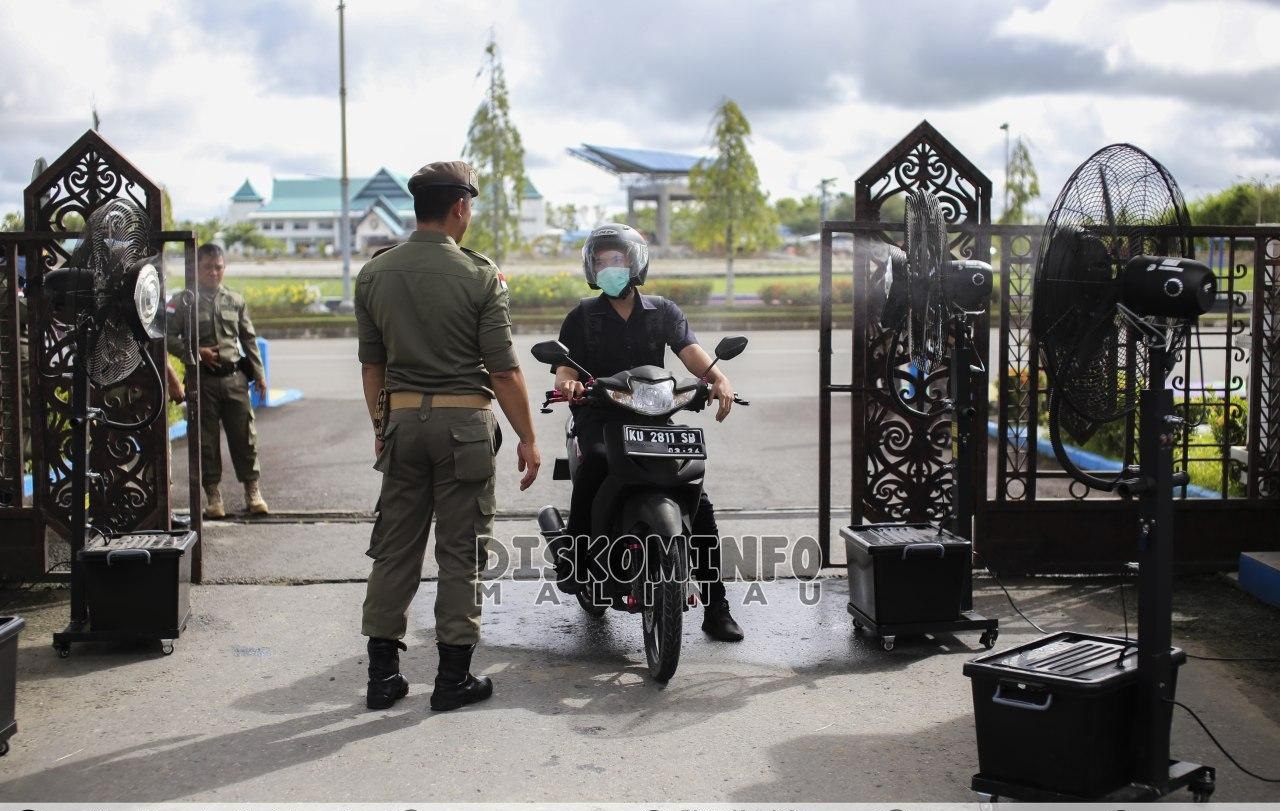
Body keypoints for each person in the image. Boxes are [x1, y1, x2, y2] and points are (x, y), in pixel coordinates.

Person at [355, 160, 541, 712]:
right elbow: (504, 371)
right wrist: (528, 438)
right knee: (461, 555)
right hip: (464, 428)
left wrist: (381, 425)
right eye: (471, 207)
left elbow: (372, 366)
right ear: (460, 207)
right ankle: (452, 680)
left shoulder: (374, 274)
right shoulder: (479, 275)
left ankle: (383, 677)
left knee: (395, 551)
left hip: (403, 424)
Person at [551, 223, 744, 641]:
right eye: (600, 261)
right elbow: (565, 365)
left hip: (653, 419)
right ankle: (578, 559)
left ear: (635, 262)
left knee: (700, 502)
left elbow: (694, 356)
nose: (608, 267)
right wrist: (567, 382)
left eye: (616, 259)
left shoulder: (663, 312)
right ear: (591, 266)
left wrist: (719, 380)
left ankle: (716, 607)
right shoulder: (583, 315)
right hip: (600, 416)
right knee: (597, 463)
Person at [165, 243, 269, 518]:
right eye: (208, 267)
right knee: (206, 442)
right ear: (197, 269)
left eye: (218, 268)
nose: (213, 273)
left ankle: (252, 491)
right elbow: (167, 337)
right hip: (203, 382)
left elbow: (248, 339)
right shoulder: (183, 301)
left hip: (234, 379)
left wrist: (259, 374)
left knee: (245, 438)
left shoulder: (235, 300)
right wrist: (195, 351)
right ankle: (213, 497)